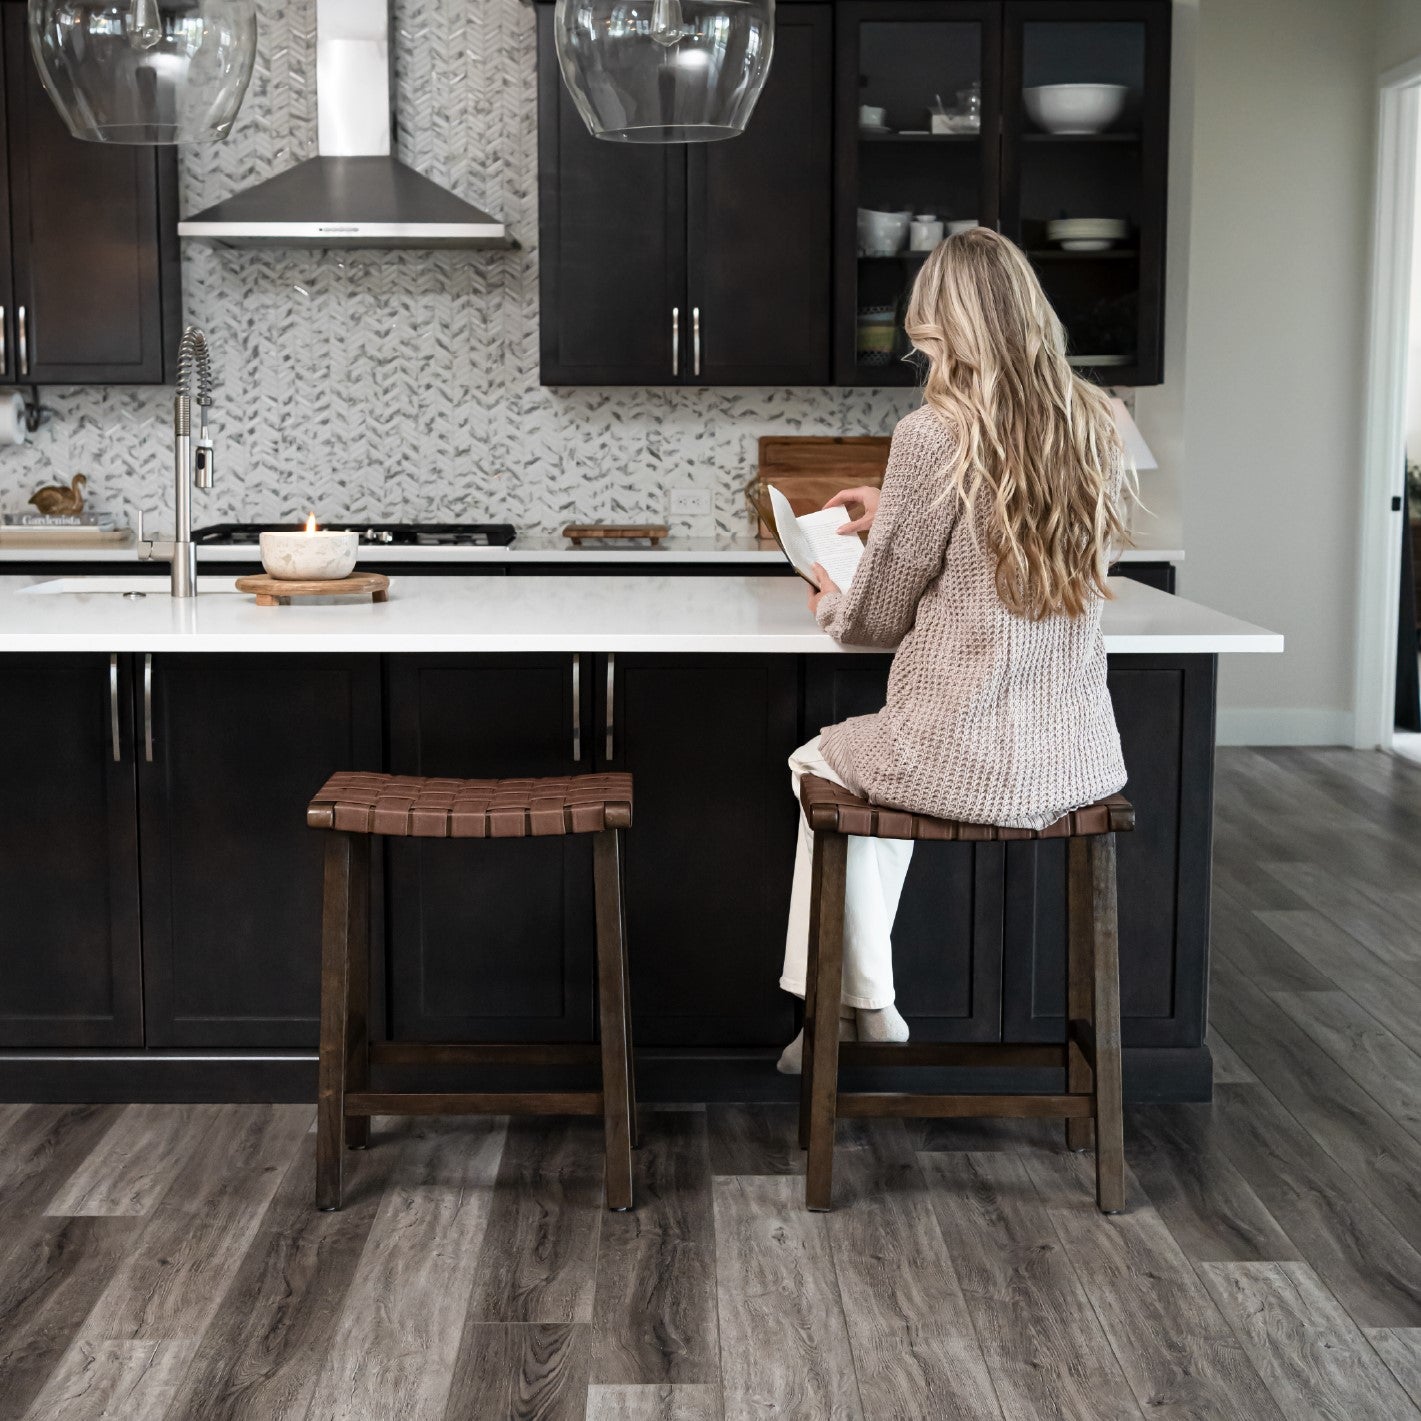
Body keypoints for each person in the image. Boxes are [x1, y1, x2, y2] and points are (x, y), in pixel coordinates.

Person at [777, 227, 1134, 1074]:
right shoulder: (1098, 422)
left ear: (943, 324)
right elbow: (996, 527)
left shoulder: (933, 432)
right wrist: (891, 503)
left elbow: (876, 616)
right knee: (868, 776)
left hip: (957, 749)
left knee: (818, 763)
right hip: (1072, 758)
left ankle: (849, 1003)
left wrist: (830, 598)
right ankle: (853, 1005)